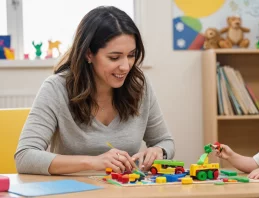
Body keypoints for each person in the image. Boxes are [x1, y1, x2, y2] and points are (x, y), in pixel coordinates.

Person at [14, 6, 175, 175]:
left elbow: (164, 141)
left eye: (131, 55)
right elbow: (25, 157)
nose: (126, 66)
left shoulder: (139, 86)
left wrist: (159, 151)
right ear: (88, 54)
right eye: (114, 57)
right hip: (72, 190)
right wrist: (93, 162)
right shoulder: (56, 88)